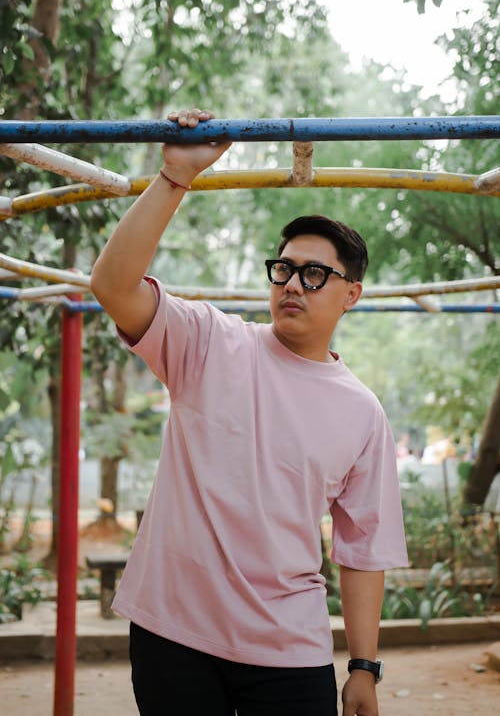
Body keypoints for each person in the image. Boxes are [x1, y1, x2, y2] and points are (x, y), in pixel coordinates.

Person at [90, 109, 408, 716]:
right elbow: (111, 284)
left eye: (315, 275)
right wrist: (176, 175)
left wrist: (364, 667)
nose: (293, 284)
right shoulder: (209, 343)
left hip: (289, 648)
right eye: (284, 269)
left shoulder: (362, 412)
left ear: (352, 294)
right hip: (173, 632)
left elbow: (362, 549)